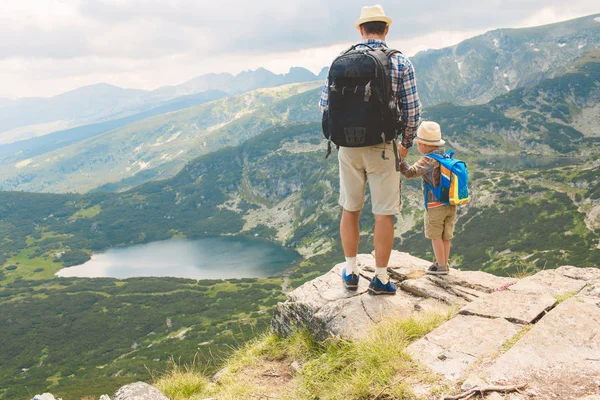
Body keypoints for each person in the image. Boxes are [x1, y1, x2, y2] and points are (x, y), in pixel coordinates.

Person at [319, 5, 422, 294]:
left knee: (350, 209)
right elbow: (413, 111)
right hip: (383, 148)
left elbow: (325, 107)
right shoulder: (400, 62)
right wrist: (405, 146)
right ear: (386, 29)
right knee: (383, 215)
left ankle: (350, 273)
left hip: (348, 148)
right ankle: (380, 278)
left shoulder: (340, 60)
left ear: (360, 30)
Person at [399, 121, 455, 275]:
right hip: (450, 203)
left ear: (423, 145)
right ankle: (443, 262)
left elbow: (411, 172)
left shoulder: (428, 159)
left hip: (435, 205)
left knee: (435, 235)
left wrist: (400, 159)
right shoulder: (445, 156)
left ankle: (441, 267)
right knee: (446, 236)